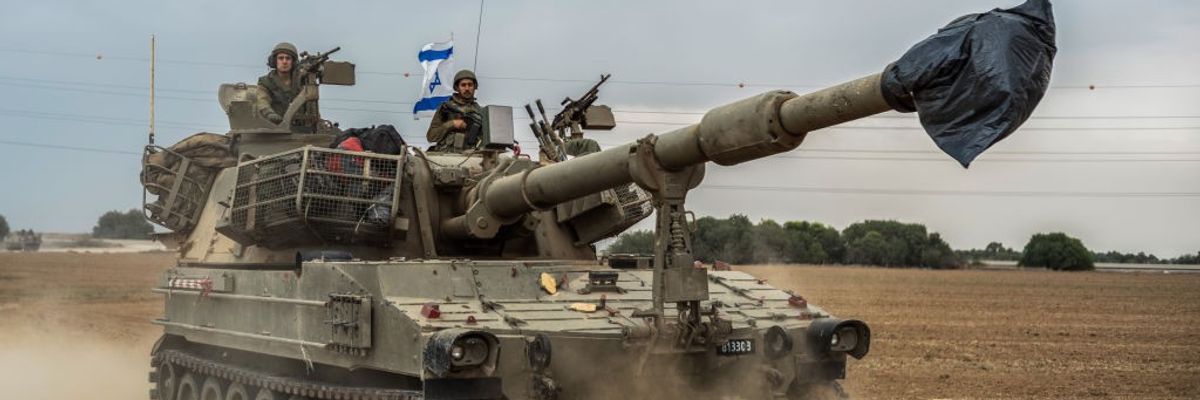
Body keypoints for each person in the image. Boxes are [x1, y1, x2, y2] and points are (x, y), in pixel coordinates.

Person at [256, 42, 318, 131]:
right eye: (281, 58)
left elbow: (311, 104)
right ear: (274, 61)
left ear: (293, 62)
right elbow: (262, 100)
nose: (284, 61)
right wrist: (269, 113)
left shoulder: (302, 81)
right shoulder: (265, 82)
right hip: (274, 129)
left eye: (288, 58)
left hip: (302, 130)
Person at [425, 70, 483, 152]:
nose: (467, 88)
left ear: (475, 87)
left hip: (470, 156)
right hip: (447, 156)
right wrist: (451, 124)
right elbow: (431, 136)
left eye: (470, 85)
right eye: (463, 85)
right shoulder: (446, 108)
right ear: (457, 88)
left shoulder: (480, 111)